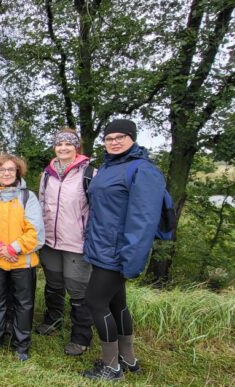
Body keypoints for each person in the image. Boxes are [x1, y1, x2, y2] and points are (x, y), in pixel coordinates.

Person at [82, 119, 164, 381]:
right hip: (101, 246)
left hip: (118, 251)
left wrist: (132, 258)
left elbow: (143, 220)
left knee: (95, 301)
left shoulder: (143, 170)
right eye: (109, 138)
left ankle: (111, 367)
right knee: (117, 303)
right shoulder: (107, 167)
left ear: (133, 138)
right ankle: (128, 359)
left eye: (121, 137)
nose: (114, 142)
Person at [0, 154, 44, 362]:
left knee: (23, 304)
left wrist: (13, 249)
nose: (6, 173)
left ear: (17, 173)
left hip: (22, 261)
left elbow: (36, 232)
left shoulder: (27, 197)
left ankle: (21, 344)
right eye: (2, 170)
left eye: (10, 170)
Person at [35, 128, 95, 356]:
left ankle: (81, 336)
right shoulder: (47, 174)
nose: (63, 148)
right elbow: (41, 204)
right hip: (50, 241)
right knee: (54, 284)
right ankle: (53, 320)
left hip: (76, 242)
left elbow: (95, 210)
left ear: (76, 147)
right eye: (59, 145)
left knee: (78, 290)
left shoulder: (89, 173)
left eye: (68, 145)